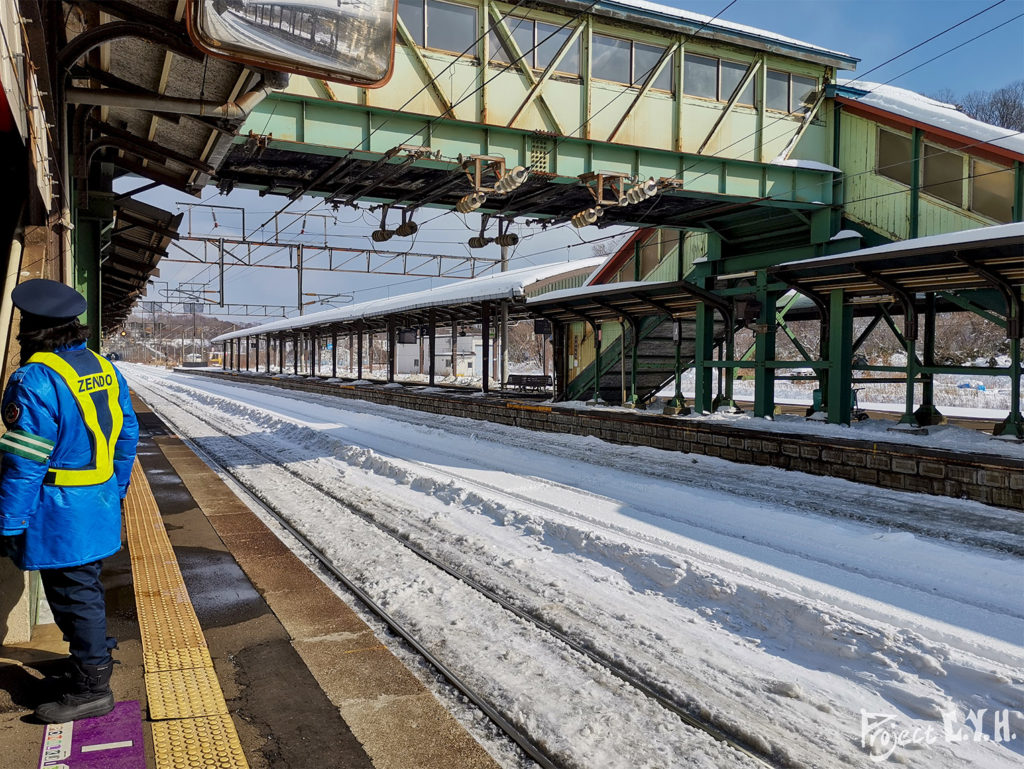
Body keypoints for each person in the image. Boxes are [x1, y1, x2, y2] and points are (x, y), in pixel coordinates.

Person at [0, 279, 139, 723]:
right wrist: (114, 488)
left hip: (61, 507)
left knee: (74, 595)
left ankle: (91, 687)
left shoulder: (36, 378)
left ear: (31, 328)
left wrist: (8, 522)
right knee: (82, 589)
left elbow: (25, 461)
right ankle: (88, 664)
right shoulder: (99, 366)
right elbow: (128, 433)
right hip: (96, 501)